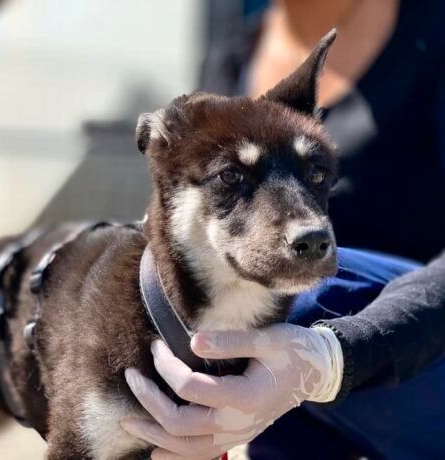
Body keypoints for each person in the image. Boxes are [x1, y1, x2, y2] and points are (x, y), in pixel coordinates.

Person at [120, 0, 445, 458]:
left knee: (287, 290)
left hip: (423, 356)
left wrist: (332, 358)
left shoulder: (433, 35)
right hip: (298, 402)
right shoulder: (238, 48)